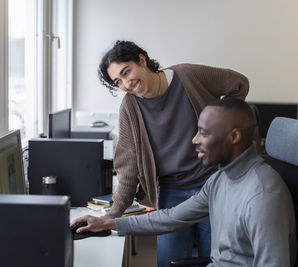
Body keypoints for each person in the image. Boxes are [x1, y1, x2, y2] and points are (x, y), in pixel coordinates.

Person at [71, 97, 297, 266]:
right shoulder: (220, 179)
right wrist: (110, 223)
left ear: (234, 136)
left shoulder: (263, 196)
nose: (194, 139)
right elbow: (171, 217)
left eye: (203, 133)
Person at [96, 40, 249, 266]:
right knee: (169, 261)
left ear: (141, 60)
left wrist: (221, 124)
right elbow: (128, 170)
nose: (126, 84)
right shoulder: (130, 108)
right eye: (118, 81)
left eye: (126, 72)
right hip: (171, 192)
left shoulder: (188, 76)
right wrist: (112, 216)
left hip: (213, 185)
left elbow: (239, 83)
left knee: (216, 259)